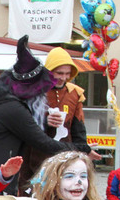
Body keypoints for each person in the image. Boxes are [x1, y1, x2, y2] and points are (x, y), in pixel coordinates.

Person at [0, 36, 90, 195]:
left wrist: (46, 122)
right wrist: (82, 148)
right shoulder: (11, 107)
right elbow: (44, 143)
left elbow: (25, 127)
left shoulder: (1, 100)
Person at [18, 46, 88, 187]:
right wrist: (44, 121)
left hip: (65, 158)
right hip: (34, 159)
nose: (63, 78)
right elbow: (21, 124)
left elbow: (78, 131)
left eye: (67, 73)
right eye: (59, 73)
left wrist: (83, 153)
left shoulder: (75, 94)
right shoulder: (33, 92)